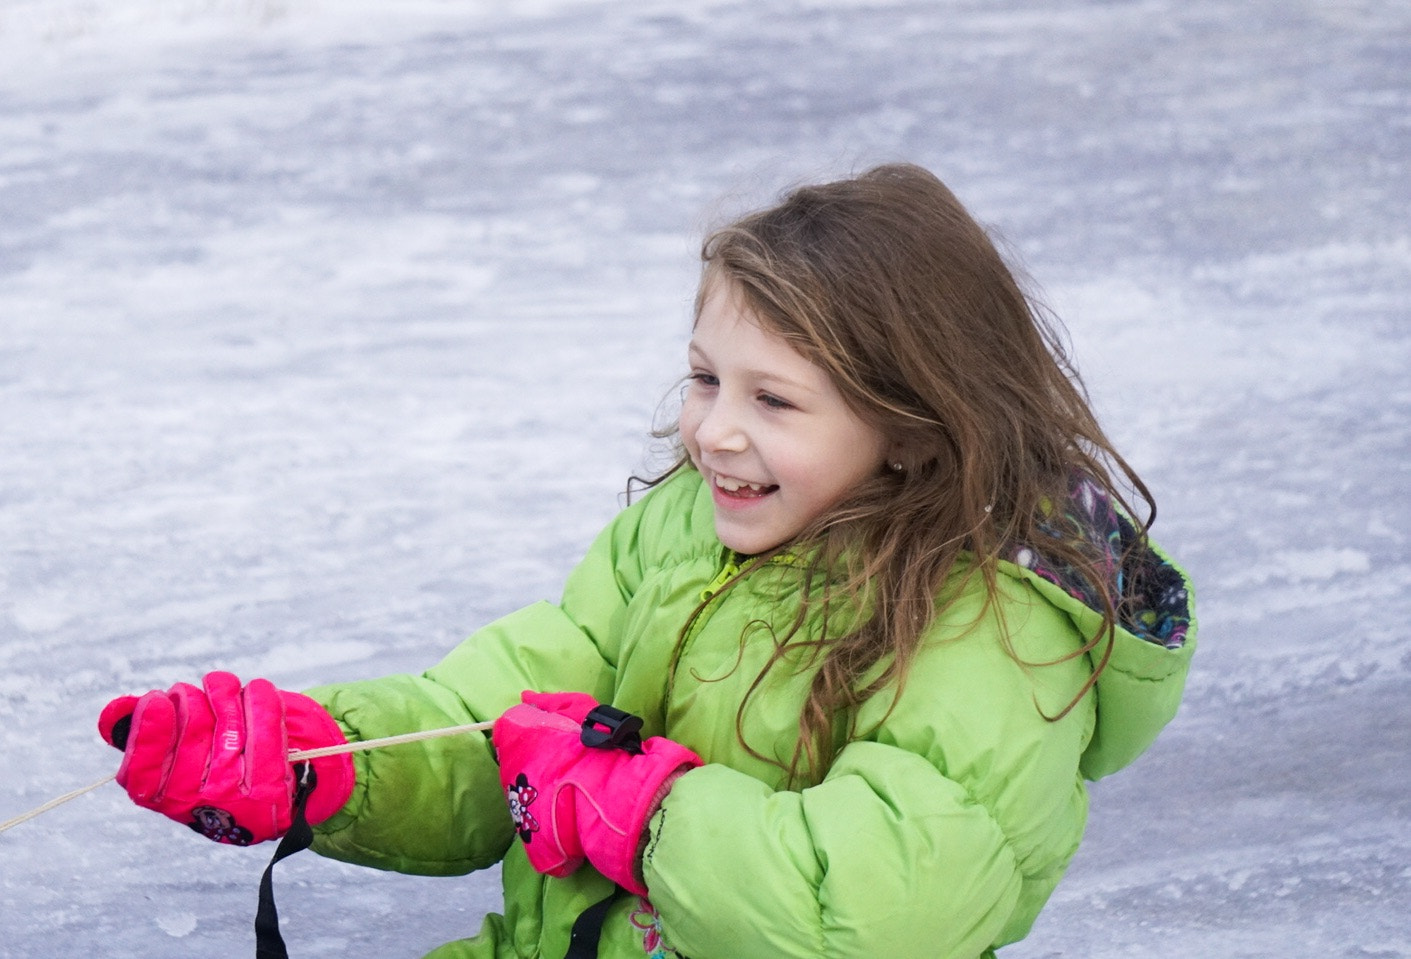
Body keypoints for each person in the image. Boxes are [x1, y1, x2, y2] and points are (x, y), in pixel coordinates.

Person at [98, 163, 1196, 959]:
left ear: (912, 424)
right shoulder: (678, 535)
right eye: (706, 378)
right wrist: (319, 761)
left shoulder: (988, 631)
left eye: (773, 400)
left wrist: (645, 810)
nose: (714, 430)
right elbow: (495, 722)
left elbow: (883, 908)